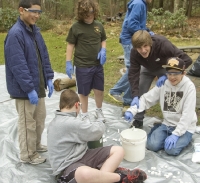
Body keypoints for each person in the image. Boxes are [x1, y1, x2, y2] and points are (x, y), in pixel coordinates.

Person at [47, 89, 147, 183]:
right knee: (84, 173)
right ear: (77, 105)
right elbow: (97, 131)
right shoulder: (71, 122)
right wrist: (100, 120)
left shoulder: (55, 122)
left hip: (82, 156)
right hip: (66, 168)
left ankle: (102, 177)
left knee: (118, 150)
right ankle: (122, 177)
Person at [4, 0, 54, 164]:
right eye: (33, 11)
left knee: (40, 119)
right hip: (25, 90)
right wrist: (29, 89)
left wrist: (48, 77)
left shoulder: (35, 32)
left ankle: (37, 145)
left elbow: (44, 56)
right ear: (21, 10)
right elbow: (18, 65)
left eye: (39, 12)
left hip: (38, 86)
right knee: (28, 124)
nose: (37, 16)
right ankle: (28, 154)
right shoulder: (15, 34)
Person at [124, 57, 197, 156]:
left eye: (175, 73)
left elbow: (187, 115)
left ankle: (184, 138)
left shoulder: (189, 87)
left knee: (171, 150)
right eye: (169, 73)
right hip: (167, 124)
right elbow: (146, 99)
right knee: (152, 146)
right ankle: (158, 129)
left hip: (185, 127)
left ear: (183, 73)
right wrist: (132, 111)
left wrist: (176, 134)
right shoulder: (164, 84)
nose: (172, 77)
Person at [127, 30, 192, 129]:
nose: (143, 50)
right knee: (140, 90)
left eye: (145, 46)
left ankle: (172, 122)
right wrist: (135, 95)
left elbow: (187, 60)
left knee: (171, 90)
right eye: (139, 48)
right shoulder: (134, 53)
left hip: (164, 68)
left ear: (150, 43)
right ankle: (138, 120)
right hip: (147, 68)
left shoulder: (163, 44)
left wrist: (167, 75)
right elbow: (133, 74)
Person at [65, 0, 106, 122]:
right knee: (84, 92)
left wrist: (103, 50)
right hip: (82, 65)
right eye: (86, 14)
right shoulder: (76, 27)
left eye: (91, 13)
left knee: (99, 90)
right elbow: (70, 45)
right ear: (81, 14)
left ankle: (99, 111)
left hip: (97, 65)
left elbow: (103, 39)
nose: (89, 16)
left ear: (95, 11)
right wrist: (68, 62)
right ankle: (84, 114)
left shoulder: (99, 26)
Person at [108, 0, 153, 106]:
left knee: (136, 69)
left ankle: (128, 100)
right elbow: (131, 25)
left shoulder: (141, 3)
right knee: (133, 70)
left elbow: (137, 23)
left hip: (133, 39)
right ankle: (116, 90)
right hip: (130, 40)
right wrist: (145, 33)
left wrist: (147, 30)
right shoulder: (139, 4)